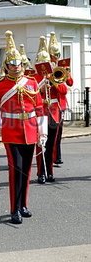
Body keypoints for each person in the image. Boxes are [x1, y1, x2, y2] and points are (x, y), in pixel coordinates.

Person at [0, 30, 46, 224]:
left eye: (18, 63)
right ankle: (14, 209)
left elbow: (39, 107)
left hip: (30, 129)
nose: (15, 67)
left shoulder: (31, 82)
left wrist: (42, 131)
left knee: (27, 169)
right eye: (12, 64)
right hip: (11, 131)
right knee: (16, 169)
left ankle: (23, 205)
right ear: (6, 65)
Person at [34, 35, 68, 184]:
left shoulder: (54, 73)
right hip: (41, 112)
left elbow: (64, 90)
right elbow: (33, 93)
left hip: (54, 111)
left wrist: (52, 81)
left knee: (51, 144)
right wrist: (43, 84)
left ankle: (50, 172)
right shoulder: (33, 76)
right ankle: (40, 172)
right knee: (41, 143)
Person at [47, 32, 74, 166]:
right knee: (53, 133)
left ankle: (56, 156)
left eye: (57, 55)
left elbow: (69, 83)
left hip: (61, 105)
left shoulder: (61, 67)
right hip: (50, 106)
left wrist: (67, 72)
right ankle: (52, 157)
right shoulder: (46, 69)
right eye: (53, 55)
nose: (55, 58)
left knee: (58, 133)